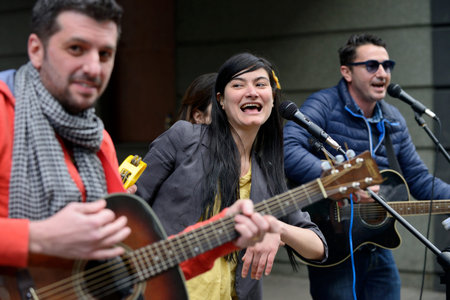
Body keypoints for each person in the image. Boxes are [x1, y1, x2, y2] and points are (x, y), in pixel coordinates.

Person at [0, 0, 279, 284]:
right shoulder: (3, 111)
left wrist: (222, 232)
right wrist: (40, 238)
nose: (94, 68)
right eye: (76, 49)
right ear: (36, 49)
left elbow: (134, 267)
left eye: (106, 53)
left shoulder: (98, 141)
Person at [136, 52, 327, 299]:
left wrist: (278, 229)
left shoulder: (268, 172)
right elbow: (130, 206)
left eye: (260, 84)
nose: (252, 92)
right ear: (221, 101)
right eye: (238, 85)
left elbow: (319, 247)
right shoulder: (184, 138)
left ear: (271, 99)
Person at [283, 33, 450, 300]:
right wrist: (338, 179)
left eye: (387, 65)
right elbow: (288, 149)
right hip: (333, 237)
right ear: (346, 72)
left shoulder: (394, 118)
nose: (383, 73)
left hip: (377, 241)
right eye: (372, 65)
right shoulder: (324, 104)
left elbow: (418, 178)